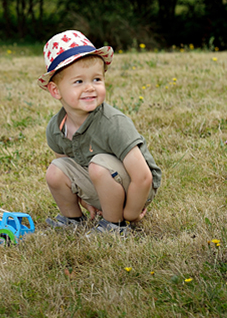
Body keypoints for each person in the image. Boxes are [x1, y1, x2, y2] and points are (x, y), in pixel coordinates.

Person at [38, 30, 162, 234]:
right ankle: (72, 219)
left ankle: (115, 226)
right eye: (79, 82)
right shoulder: (56, 128)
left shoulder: (113, 123)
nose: (90, 88)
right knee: (56, 169)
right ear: (55, 90)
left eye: (96, 79)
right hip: (99, 178)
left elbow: (143, 177)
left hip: (134, 187)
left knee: (98, 165)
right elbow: (71, 170)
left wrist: (131, 213)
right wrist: (87, 201)